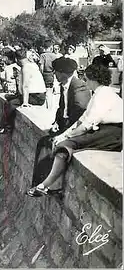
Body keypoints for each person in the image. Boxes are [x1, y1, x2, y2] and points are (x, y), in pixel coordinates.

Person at [27, 64, 122, 197]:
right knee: (59, 141)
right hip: (104, 131)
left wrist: (66, 138)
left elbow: (87, 125)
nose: (85, 82)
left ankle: (45, 185)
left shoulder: (104, 94)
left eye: (87, 79)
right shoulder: (99, 92)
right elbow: (82, 120)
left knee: (65, 145)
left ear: (94, 79)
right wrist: (64, 134)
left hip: (112, 134)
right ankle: (49, 184)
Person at [30, 57, 92, 188]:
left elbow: (81, 111)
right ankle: (39, 183)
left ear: (63, 73)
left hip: (75, 129)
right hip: (64, 125)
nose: (54, 74)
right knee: (43, 142)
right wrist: (56, 123)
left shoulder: (79, 86)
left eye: (56, 72)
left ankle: (50, 186)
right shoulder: (65, 85)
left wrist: (66, 132)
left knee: (56, 146)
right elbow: (61, 108)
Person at [0, 47, 46, 136]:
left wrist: (25, 102)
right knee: (9, 98)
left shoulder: (26, 68)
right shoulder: (32, 64)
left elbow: (25, 86)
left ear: (17, 59)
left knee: (12, 103)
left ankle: (3, 127)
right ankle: (6, 125)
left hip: (36, 97)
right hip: (38, 95)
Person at [39, 45, 59, 110]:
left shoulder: (43, 55)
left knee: (45, 91)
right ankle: (50, 106)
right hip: (51, 74)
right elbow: (56, 67)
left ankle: (46, 107)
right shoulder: (54, 56)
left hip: (45, 74)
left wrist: (41, 74)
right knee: (50, 91)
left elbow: (41, 66)